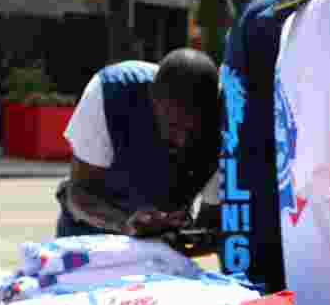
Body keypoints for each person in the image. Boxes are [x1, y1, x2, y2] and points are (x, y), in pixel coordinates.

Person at [56, 48, 221, 240]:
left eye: (194, 131)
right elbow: (80, 193)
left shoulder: (223, 123)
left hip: (157, 249)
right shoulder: (111, 91)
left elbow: (209, 222)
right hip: (87, 238)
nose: (182, 140)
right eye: (174, 126)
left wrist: (187, 235)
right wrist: (126, 223)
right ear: (153, 98)